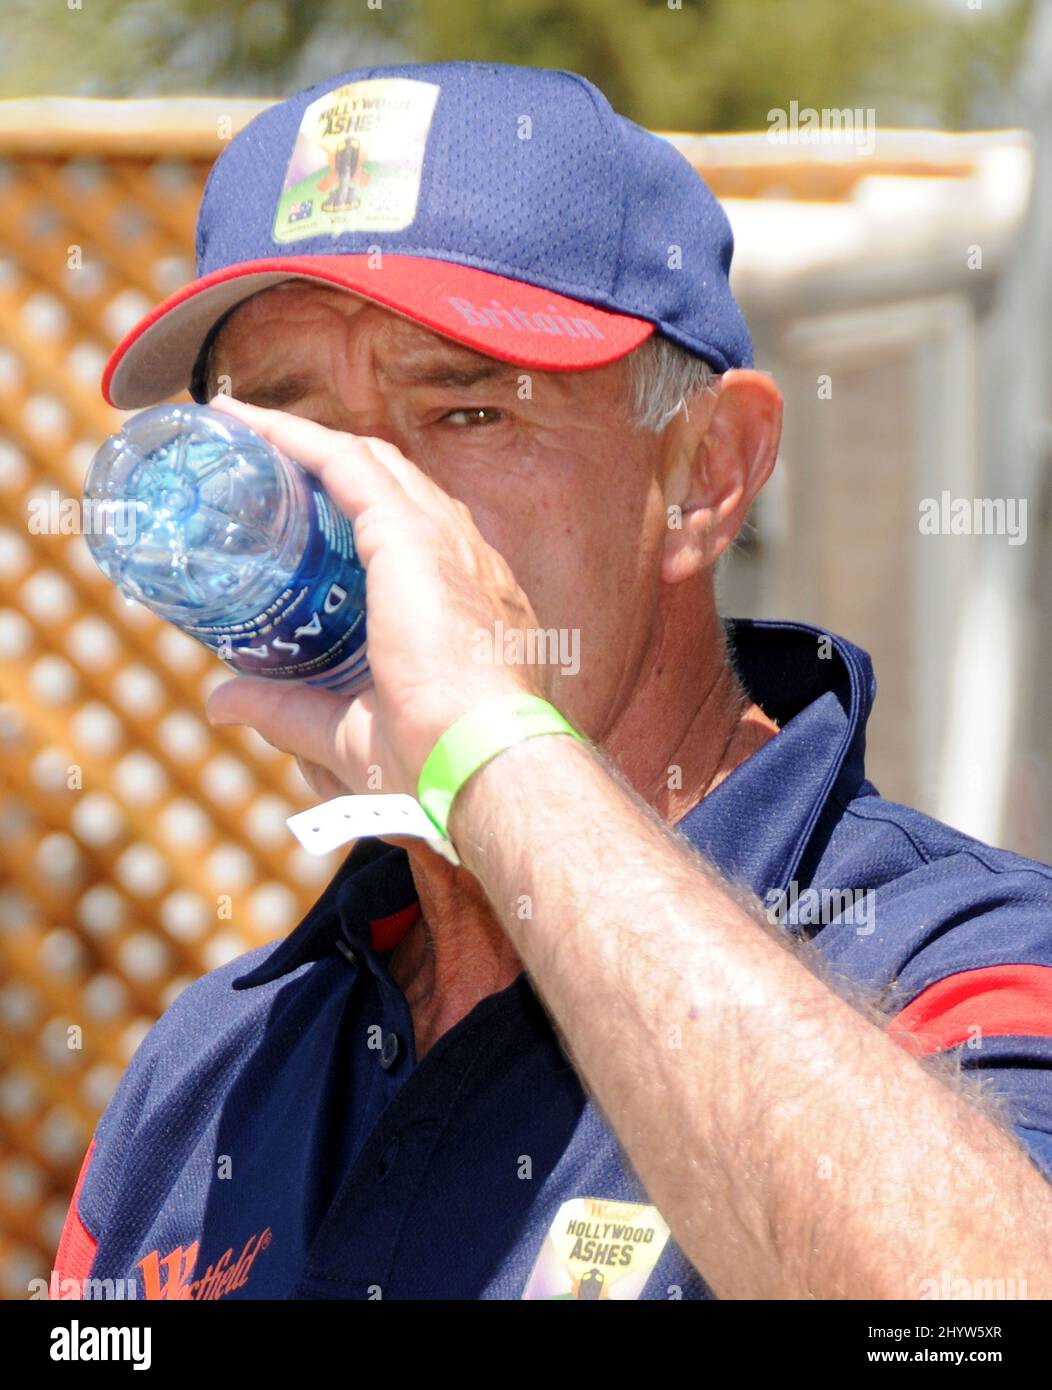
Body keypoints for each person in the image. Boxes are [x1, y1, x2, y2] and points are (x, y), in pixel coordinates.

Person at [54, 60, 1052, 1302]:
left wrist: (488, 746)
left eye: (467, 412)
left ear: (705, 472)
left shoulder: (961, 956)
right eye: (288, 429)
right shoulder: (204, 1072)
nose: (365, 506)